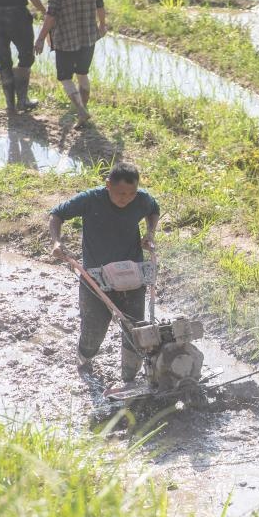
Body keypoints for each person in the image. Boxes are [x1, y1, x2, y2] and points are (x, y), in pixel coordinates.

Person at [49, 162, 160, 381]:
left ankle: (130, 378)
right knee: (94, 327)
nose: (125, 198)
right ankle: (84, 359)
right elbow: (57, 215)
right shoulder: (91, 200)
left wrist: (149, 233)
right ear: (108, 185)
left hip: (132, 273)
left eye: (131, 193)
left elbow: (153, 209)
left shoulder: (141, 199)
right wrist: (56, 242)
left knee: (135, 328)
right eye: (120, 193)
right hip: (96, 275)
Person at [34, 0, 106, 128]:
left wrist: (41, 38)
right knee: (82, 73)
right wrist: (103, 25)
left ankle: (81, 111)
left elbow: (52, 15)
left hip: (65, 38)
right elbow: (100, 3)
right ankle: (83, 110)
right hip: (89, 35)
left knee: (65, 77)